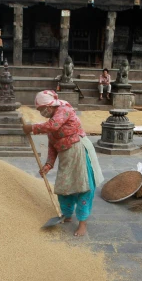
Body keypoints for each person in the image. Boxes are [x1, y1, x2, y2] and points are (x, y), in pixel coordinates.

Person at [23, 90, 104, 237]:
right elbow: (52, 146)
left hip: (78, 151)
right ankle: (67, 214)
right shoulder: (51, 121)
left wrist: (32, 128)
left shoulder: (64, 110)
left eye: (41, 109)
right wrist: (48, 165)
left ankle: (83, 223)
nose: (41, 112)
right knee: (64, 186)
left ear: (49, 105)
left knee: (83, 186)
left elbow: (53, 125)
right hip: (66, 157)